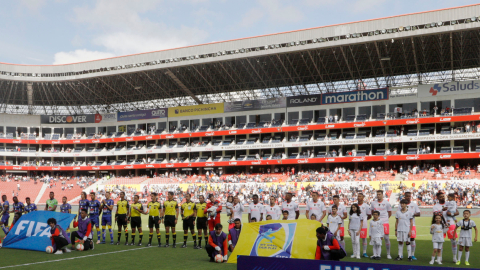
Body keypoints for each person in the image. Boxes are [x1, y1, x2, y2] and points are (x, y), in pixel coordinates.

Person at [432, 191, 459, 263]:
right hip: (440, 225)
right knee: (440, 242)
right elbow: (435, 214)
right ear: (437, 198)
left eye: (443, 196)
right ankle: (439, 258)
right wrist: (441, 210)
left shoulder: (449, 203)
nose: (442, 197)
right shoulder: (435, 206)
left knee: (454, 241)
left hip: (451, 224)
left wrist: (450, 213)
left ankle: (454, 258)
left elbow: (457, 212)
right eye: (440, 197)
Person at [370, 190, 392, 259]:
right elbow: (372, 212)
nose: (378, 195)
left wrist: (385, 219)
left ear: (382, 195)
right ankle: (376, 254)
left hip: (384, 222)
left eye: (380, 194)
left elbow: (389, 213)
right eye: (377, 194)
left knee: (386, 238)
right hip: (376, 222)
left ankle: (388, 254)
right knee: (376, 238)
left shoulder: (387, 203)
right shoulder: (373, 203)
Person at [404, 190, 420, 260]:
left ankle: (412, 254)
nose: (408, 197)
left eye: (409, 196)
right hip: (404, 225)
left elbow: (419, 213)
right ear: (404, 197)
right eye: (406, 196)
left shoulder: (414, 204)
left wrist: (412, 214)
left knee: (412, 239)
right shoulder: (401, 204)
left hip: (412, 224)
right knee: (405, 240)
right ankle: (405, 255)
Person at [356, 193, 371, 258]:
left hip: (363, 225)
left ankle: (364, 252)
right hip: (355, 225)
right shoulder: (354, 205)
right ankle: (357, 252)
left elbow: (369, 215)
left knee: (364, 238)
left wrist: (364, 220)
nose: (359, 197)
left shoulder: (366, 206)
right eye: (358, 196)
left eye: (360, 196)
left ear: (363, 197)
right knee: (356, 239)